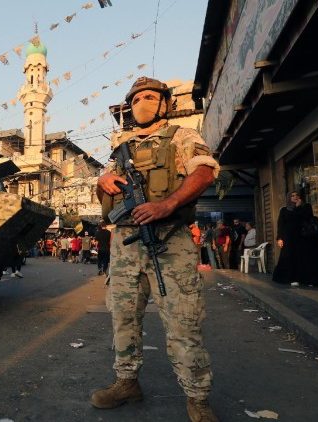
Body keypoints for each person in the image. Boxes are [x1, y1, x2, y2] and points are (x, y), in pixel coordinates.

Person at [92, 76, 220, 421]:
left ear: (165, 103)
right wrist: (101, 181)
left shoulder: (183, 137)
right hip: (125, 244)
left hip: (169, 239)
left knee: (183, 321)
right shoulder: (122, 147)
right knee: (123, 317)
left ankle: (197, 398)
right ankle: (126, 382)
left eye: (149, 97)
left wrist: (169, 204)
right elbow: (104, 187)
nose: (142, 104)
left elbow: (205, 172)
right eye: (135, 100)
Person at [272, 191, 318, 287]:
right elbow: (281, 224)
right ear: (289, 198)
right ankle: (292, 278)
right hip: (289, 237)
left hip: (304, 237)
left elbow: (305, 218)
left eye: (297, 195)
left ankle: (306, 279)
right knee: (289, 257)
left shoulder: (306, 206)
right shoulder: (284, 209)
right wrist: (279, 238)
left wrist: (299, 207)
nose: (295, 197)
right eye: (292, 195)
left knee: (304, 258)